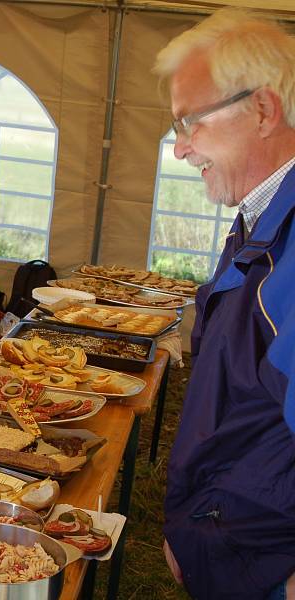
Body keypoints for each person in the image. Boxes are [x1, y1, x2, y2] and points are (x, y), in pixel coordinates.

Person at [154, 9, 295, 599]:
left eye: (191, 122)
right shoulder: (259, 221)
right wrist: (194, 521)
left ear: (263, 110)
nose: (182, 149)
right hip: (231, 545)